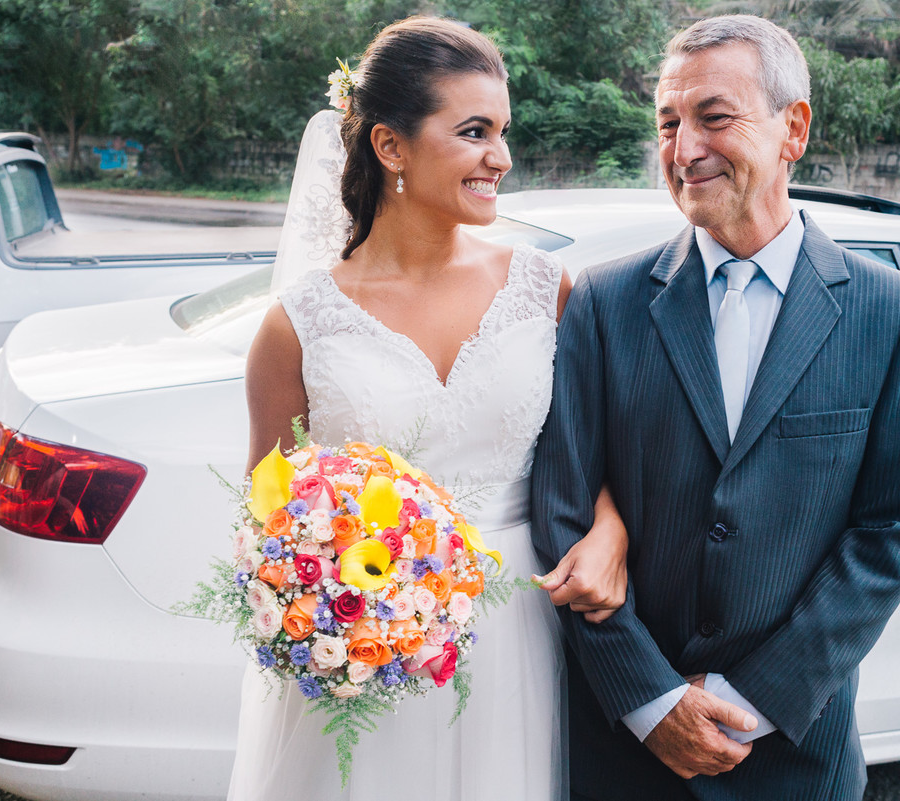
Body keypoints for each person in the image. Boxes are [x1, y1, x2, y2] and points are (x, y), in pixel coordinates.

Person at [531, 14, 900, 801]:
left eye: (714, 117)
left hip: (792, 749)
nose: (684, 149)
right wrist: (651, 703)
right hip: (625, 752)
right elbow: (562, 509)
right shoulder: (603, 304)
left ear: (793, 129)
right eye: (668, 122)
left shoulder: (894, 313)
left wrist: (758, 701)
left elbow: (895, 524)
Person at [227, 17, 627, 800]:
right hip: (367, 646)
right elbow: (265, 512)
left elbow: (599, 453)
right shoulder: (297, 325)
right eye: (475, 131)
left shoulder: (545, 289)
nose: (500, 158)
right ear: (389, 146)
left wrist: (609, 530)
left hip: (518, 624)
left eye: (504, 132)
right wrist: (330, 603)